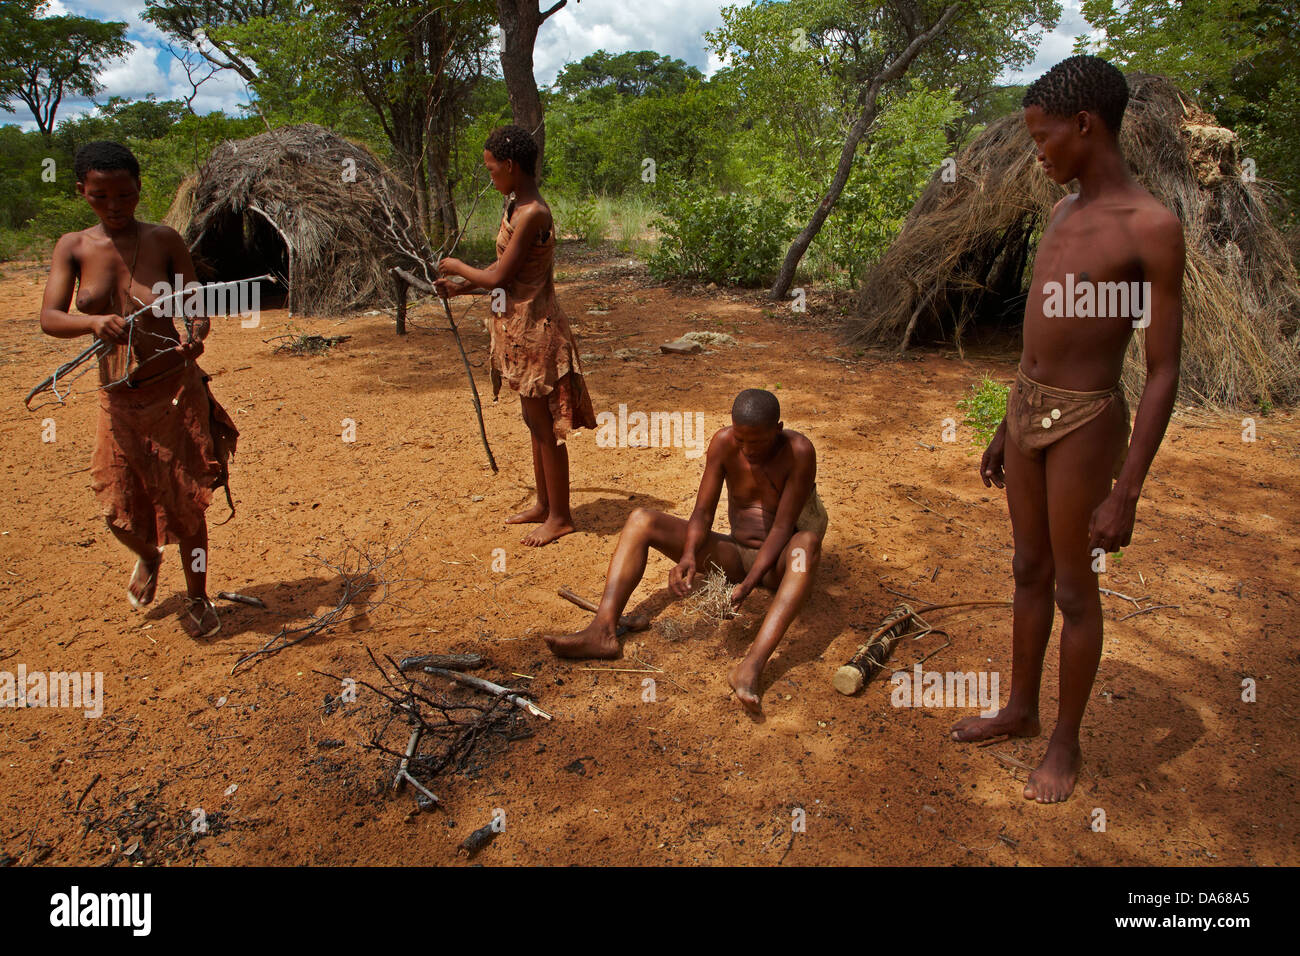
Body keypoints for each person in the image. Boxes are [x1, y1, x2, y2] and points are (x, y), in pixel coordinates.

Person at [949, 56, 1185, 803]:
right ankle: (1019, 709)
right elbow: (1036, 341)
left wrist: (1128, 490)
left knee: (1077, 591)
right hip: (1025, 412)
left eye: (1045, 137)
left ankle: (1063, 740)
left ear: (1086, 125)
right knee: (1027, 569)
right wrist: (1004, 425)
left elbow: (1162, 369)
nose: (1038, 152)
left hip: (1087, 422)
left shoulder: (1150, 227)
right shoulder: (1061, 213)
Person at [38, 141, 238, 637]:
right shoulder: (74, 246)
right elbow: (50, 317)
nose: (114, 206)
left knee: (188, 503)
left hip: (173, 389)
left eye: (125, 195)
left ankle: (197, 597)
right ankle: (149, 555)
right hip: (117, 396)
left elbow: (194, 303)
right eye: (101, 196)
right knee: (118, 508)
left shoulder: (164, 239)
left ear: (138, 190)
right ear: (82, 191)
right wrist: (91, 324)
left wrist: (195, 333)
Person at [544, 389, 828, 714]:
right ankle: (602, 630)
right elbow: (703, 513)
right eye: (741, 440)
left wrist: (749, 584)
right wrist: (689, 555)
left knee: (806, 544)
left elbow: (781, 528)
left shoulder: (799, 451)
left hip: (778, 564)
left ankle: (750, 666)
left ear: (778, 430)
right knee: (641, 520)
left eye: (758, 442)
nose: (748, 450)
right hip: (733, 556)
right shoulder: (723, 443)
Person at [435, 125, 597, 547]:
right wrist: (463, 288)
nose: (490, 178)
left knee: (545, 426)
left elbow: (501, 275)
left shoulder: (533, 213)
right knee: (532, 420)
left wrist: (456, 266)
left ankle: (560, 516)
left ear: (510, 166)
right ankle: (545, 505)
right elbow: (506, 274)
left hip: (535, 327)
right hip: (516, 326)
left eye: (492, 170)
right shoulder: (514, 205)